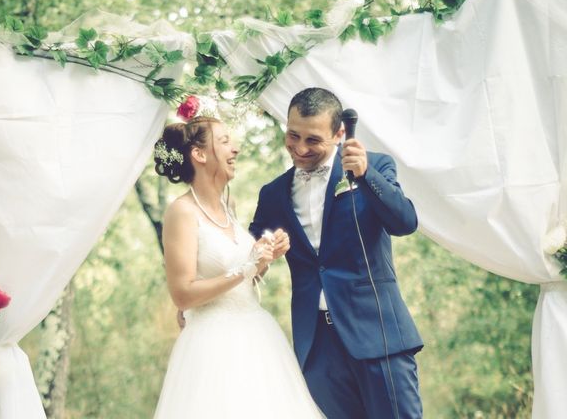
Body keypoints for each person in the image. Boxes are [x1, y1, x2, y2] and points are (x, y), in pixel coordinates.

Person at [249, 88, 424, 419]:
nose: (299, 149)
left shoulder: (376, 167)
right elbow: (249, 254)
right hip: (317, 347)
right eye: (293, 135)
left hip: (378, 334)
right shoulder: (272, 194)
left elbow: (405, 223)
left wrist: (366, 174)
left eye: (313, 140)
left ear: (339, 133)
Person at [152, 116, 325, 419]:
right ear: (200, 154)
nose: (235, 149)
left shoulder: (227, 209)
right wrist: (248, 267)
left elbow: (244, 274)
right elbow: (182, 294)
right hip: (213, 347)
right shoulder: (181, 211)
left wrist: (264, 258)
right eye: (224, 141)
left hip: (258, 338)